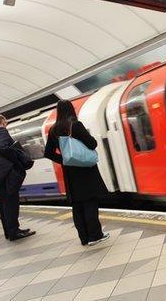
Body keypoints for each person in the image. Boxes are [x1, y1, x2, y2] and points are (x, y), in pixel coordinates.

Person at [44, 100, 109, 246]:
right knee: (90, 203)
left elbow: (48, 153)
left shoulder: (53, 130)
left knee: (77, 206)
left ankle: (84, 238)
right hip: (85, 170)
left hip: (70, 173)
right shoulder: (75, 125)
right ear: (71, 110)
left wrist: (65, 160)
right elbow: (92, 144)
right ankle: (95, 235)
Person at [0, 114, 35, 241]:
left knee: (4, 204)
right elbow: (3, 147)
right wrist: (17, 160)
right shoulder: (0, 130)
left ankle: (10, 231)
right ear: (3, 121)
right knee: (11, 203)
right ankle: (14, 232)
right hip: (5, 173)